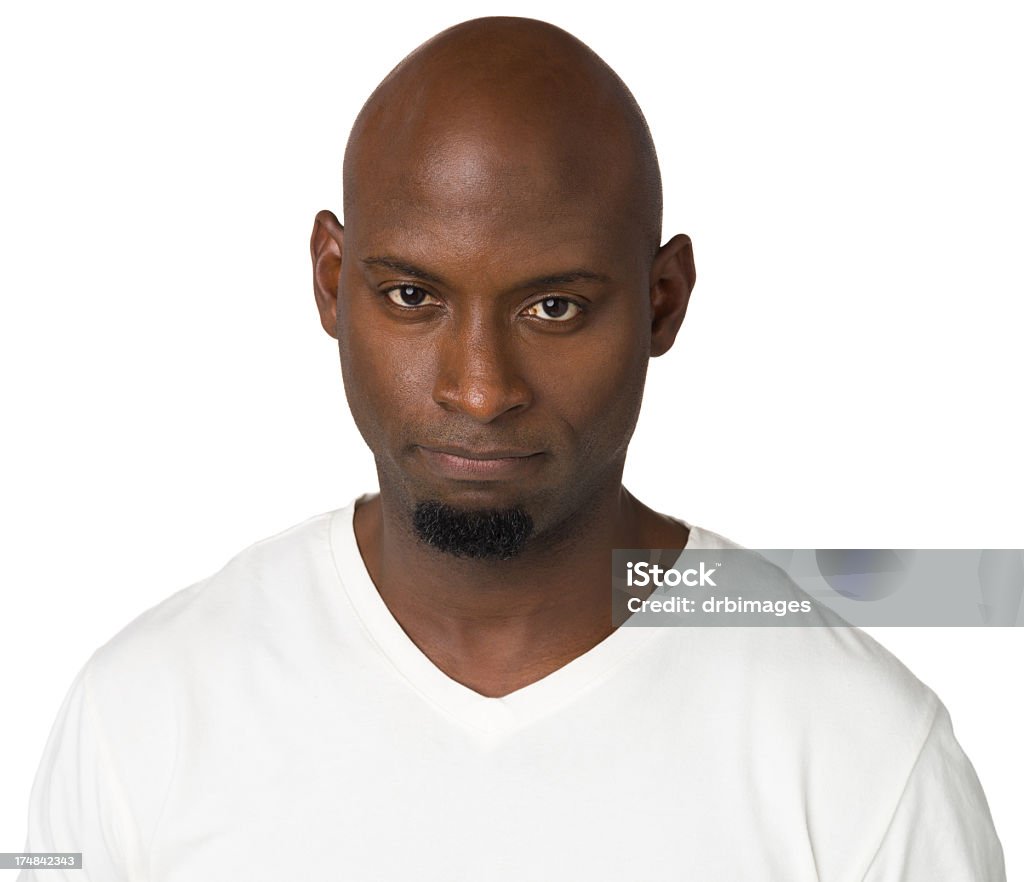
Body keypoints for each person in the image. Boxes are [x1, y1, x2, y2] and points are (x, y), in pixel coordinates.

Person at [18, 16, 1005, 881]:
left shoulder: (860, 755)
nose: (480, 389)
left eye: (554, 306)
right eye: (413, 297)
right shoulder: (141, 720)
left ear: (662, 302)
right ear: (330, 283)